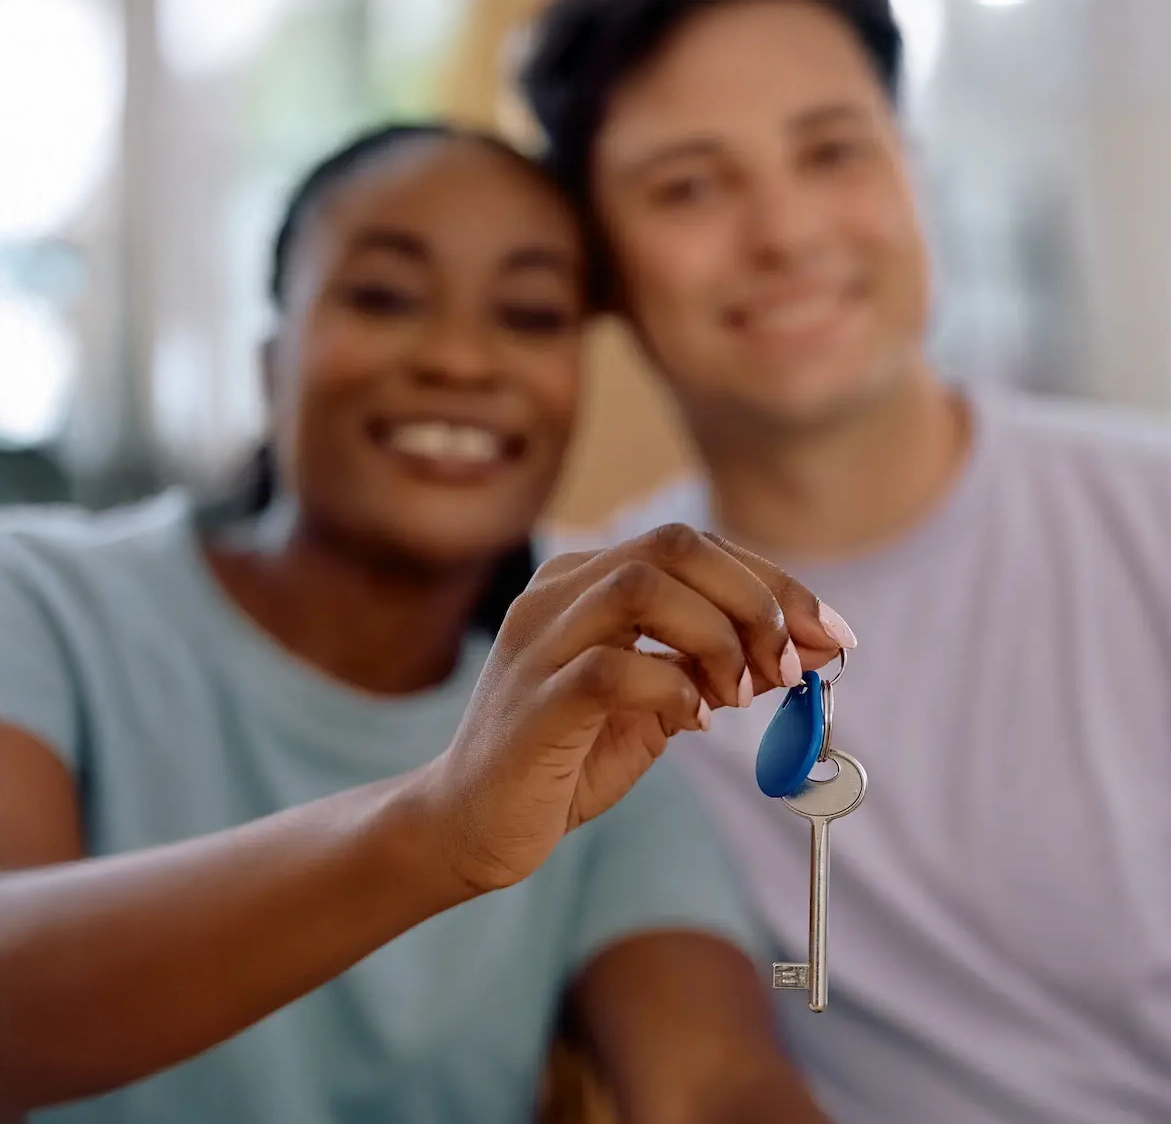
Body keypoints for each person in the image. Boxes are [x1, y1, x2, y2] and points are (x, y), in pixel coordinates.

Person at [520, 2, 1171, 1121]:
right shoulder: (587, 652)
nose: (785, 232)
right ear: (596, 261)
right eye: (689, 186)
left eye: (832, 151)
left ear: (912, 170)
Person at [0, 122, 850, 1123]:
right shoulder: (39, 602)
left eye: (530, 315)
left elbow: (712, 1084)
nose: (457, 357)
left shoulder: (597, 729)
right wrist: (440, 826)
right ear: (272, 363)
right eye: (383, 296)